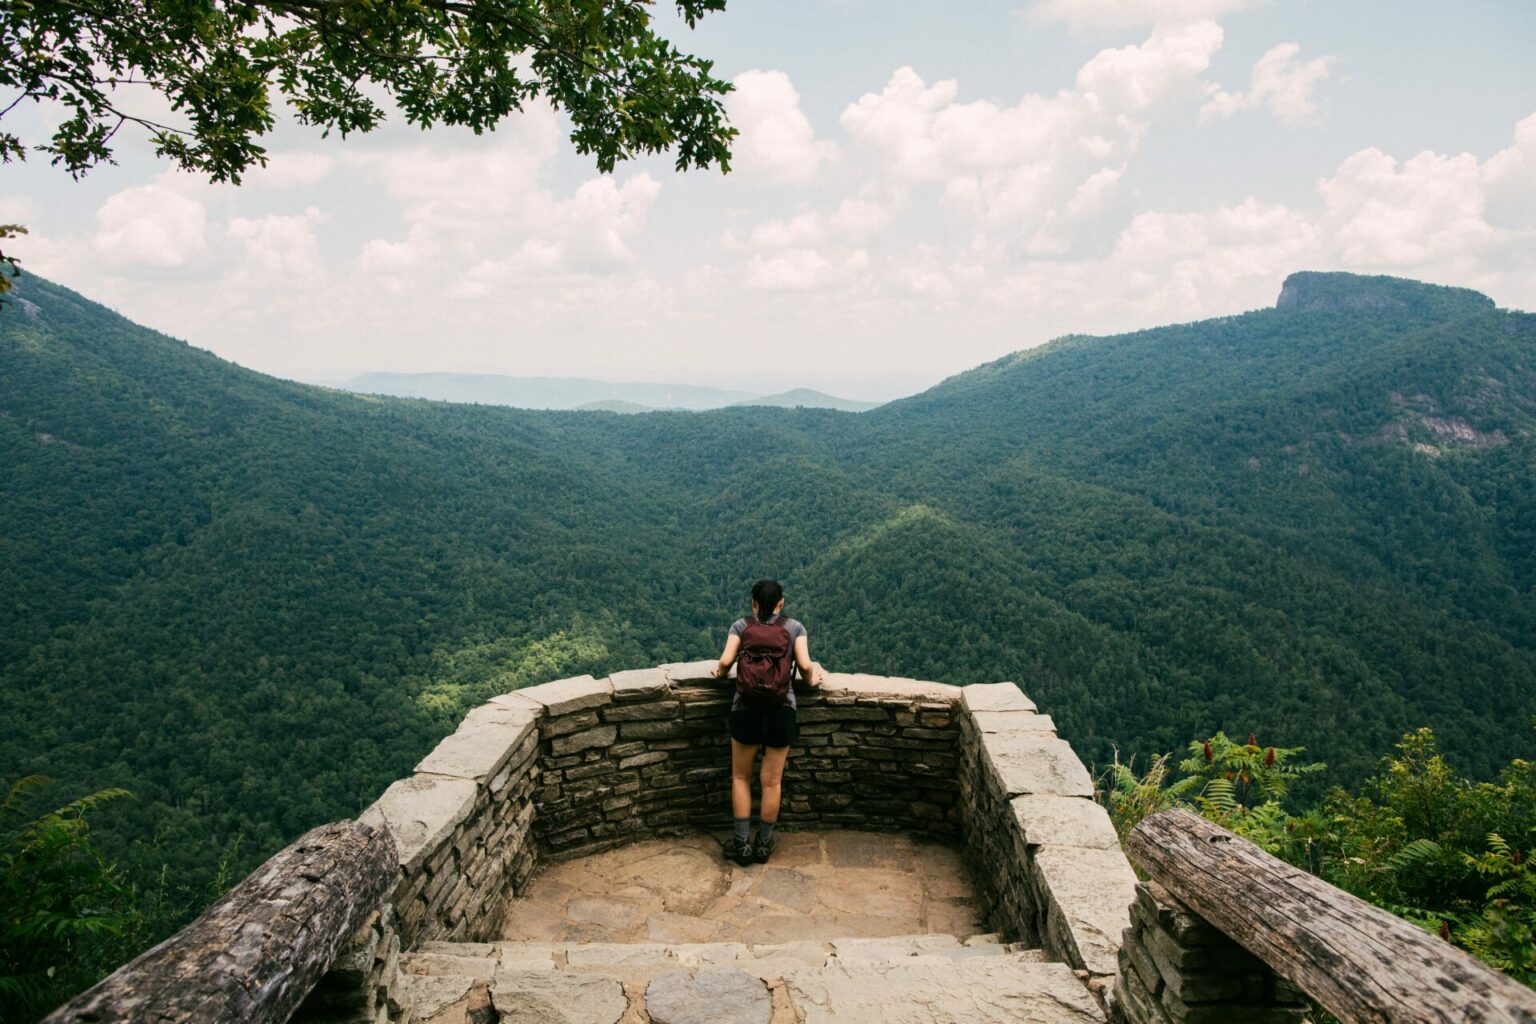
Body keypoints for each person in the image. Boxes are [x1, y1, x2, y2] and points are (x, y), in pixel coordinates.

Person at [712, 578, 825, 865]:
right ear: (781, 603)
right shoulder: (795, 628)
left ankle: (741, 843)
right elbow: (806, 666)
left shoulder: (741, 626)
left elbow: (725, 662)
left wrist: (720, 673)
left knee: (740, 777)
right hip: (782, 709)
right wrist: (813, 679)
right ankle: (763, 844)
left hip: (745, 708)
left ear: (753, 603)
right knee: (772, 781)